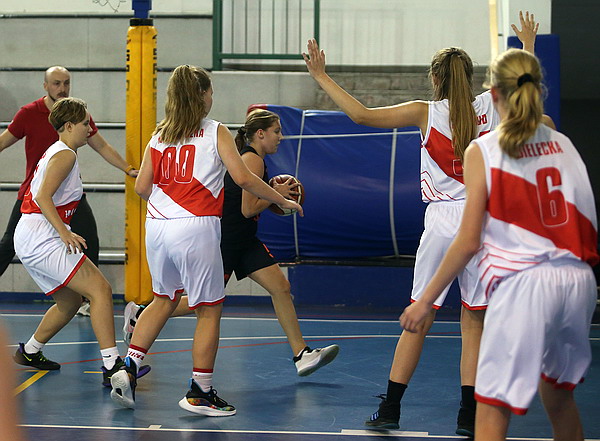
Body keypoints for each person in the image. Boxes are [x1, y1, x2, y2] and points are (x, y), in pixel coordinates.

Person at [303, 11, 541, 436]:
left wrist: (321, 76)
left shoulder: (424, 112)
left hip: (443, 224)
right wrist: (527, 46)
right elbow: (525, 90)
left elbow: (361, 116)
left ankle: (391, 408)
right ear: (470, 77)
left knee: (420, 315)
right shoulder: (492, 104)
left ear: (435, 79)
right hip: (483, 223)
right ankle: (468, 415)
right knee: (474, 322)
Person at [400, 48, 597, 441]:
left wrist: (425, 301)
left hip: (527, 281)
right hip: (578, 282)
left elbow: (469, 240)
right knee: (559, 400)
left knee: (491, 411)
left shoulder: (486, 149)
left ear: (492, 93)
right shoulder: (562, 143)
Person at [109, 65, 303, 415]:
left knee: (163, 299)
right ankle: (201, 391)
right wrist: (282, 200)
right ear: (201, 95)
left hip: (157, 227)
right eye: (210, 91)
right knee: (209, 310)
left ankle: (129, 366)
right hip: (195, 226)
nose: (212, 97)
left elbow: (141, 187)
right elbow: (243, 179)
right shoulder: (215, 131)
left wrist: (170, 199)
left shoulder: (159, 135)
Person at [123, 109, 339, 376]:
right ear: (260, 134)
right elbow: (248, 209)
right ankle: (142, 315)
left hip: (245, 240)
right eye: (276, 131)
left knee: (281, 287)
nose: (280, 137)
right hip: (227, 239)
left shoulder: (254, 158)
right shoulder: (252, 160)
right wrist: (277, 196)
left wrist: (272, 195)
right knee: (201, 302)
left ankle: (301, 354)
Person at [0, 66, 138, 316]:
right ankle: (91, 298)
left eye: (66, 83)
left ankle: (88, 299)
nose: (62, 88)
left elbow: (102, 146)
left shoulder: (78, 115)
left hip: (68, 197)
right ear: (45, 86)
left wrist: (127, 168)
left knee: (89, 239)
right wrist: (63, 232)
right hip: (34, 197)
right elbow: (4, 141)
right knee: (8, 244)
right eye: (56, 83)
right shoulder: (29, 114)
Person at [11, 97, 127, 387]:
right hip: (41, 235)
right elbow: (42, 197)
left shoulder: (59, 151)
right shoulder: (65, 155)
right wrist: (64, 232)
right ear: (69, 125)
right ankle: (112, 366)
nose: (90, 128)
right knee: (101, 290)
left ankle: (30, 351)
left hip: (31, 234)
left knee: (70, 300)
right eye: (85, 123)